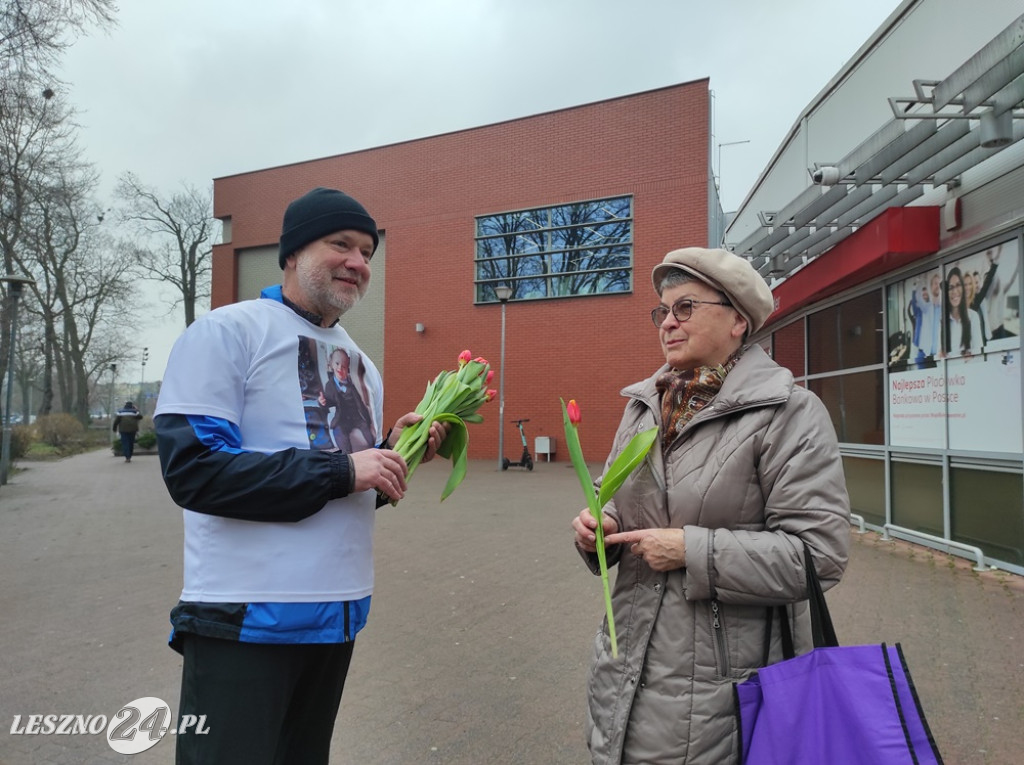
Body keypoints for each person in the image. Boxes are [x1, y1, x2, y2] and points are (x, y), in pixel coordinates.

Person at [154, 187, 447, 765]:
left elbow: (345, 488)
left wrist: (392, 455)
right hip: (244, 619)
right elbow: (195, 472)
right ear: (291, 253)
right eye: (341, 244)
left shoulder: (362, 365)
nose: (358, 262)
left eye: (368, 252)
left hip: (337, 616)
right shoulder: (227, 332)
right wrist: (344, 469)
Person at [570, 247, 850, 764]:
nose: (667, 323)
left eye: (686, 307)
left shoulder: (788, 413)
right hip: (623, 669)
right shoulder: (644, 406)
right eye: (663, 311)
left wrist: (690, 551)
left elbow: (819, 555)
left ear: (738, 320)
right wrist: (599, 527)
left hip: (720, 691)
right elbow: (614, 497)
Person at [943, 266, 985, 356]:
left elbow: (978, 349)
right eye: (965, 285)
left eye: (970, 284)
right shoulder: (947, 318)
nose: (967, 287)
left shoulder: (975, 307)